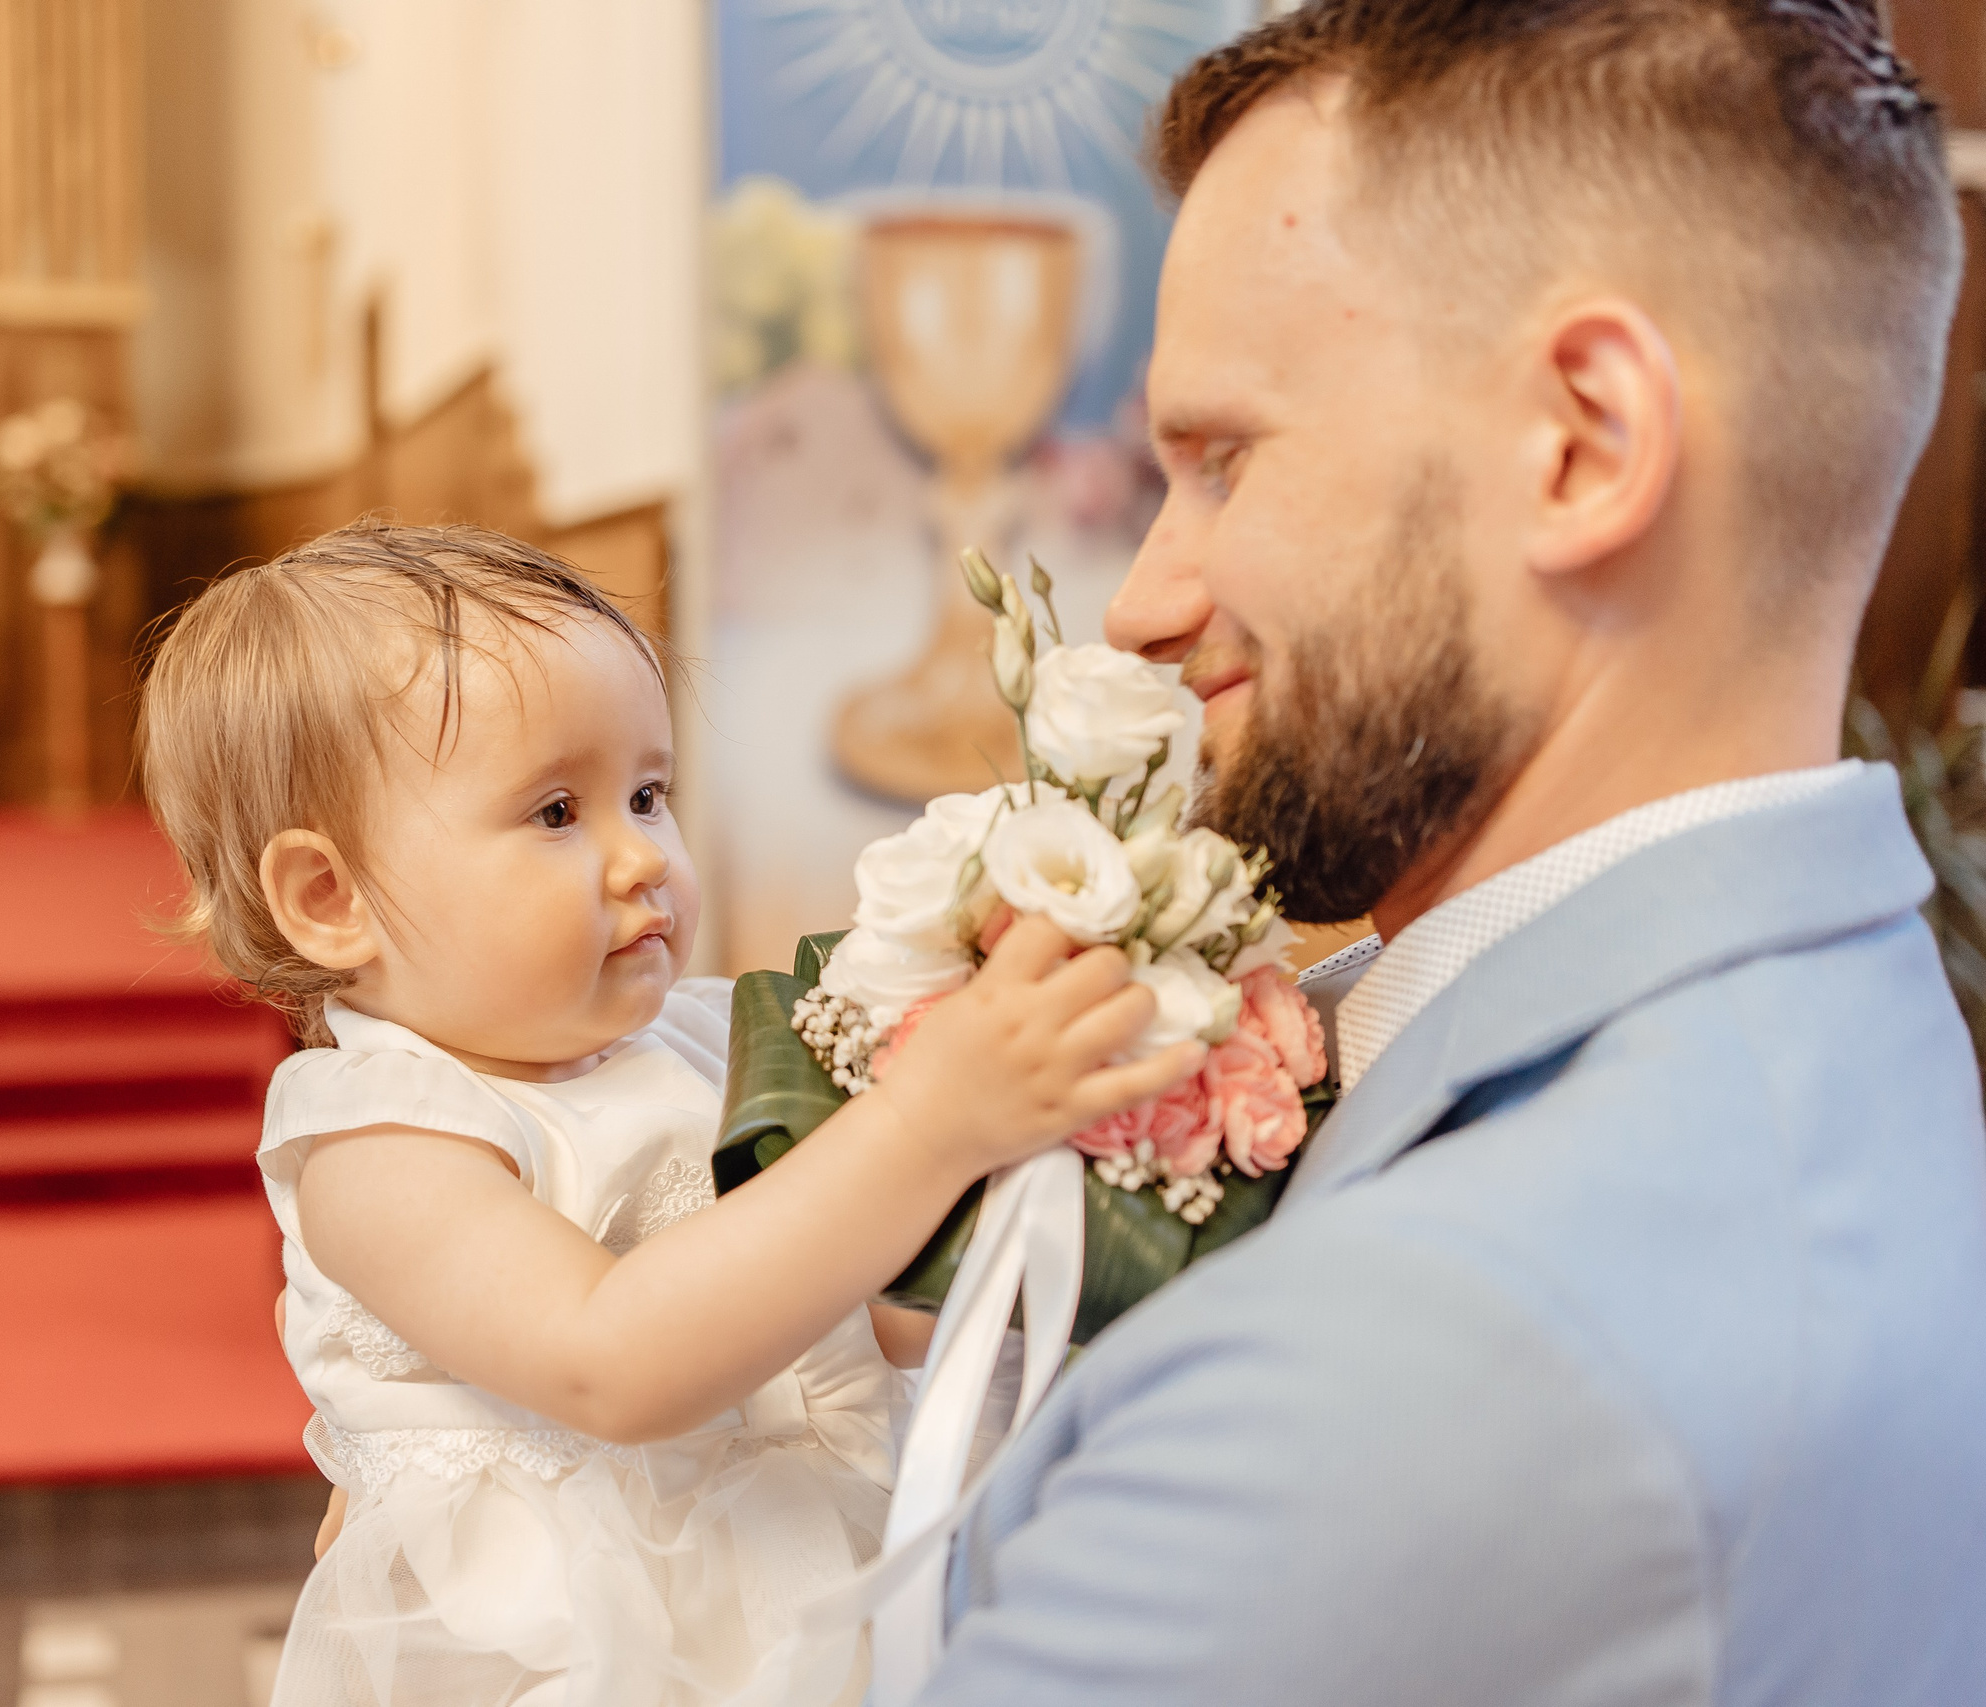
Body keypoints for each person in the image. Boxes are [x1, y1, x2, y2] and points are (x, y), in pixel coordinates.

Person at [915, 2, 1986, 1703]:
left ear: (1583, 445)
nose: (1142, 602)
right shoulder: (1855, 1005)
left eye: (1222, 460)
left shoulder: (1418, 1361)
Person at [137, 522, 1201, 1707]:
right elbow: (616, 1363)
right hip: (577, 1648)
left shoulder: (702, 1036)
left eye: (648, 795)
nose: (640, 856)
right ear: (330, 900)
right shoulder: (385, 1145)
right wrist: (923, 1129)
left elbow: (854, 1307)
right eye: (555, 813)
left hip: (814, 1568)